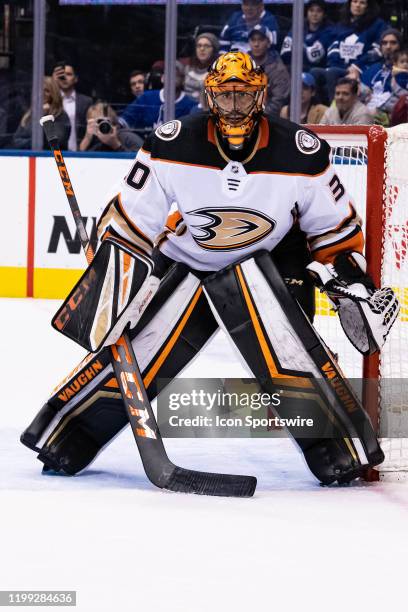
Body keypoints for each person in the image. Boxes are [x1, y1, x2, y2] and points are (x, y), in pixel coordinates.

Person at [21, 51, 397, 488]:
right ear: (209, 96)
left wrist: (352, 281)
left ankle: (338, 449)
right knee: (142, 347)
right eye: (226, 96)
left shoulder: (301, 151)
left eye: (243, 96)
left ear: (261, 96)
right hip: (187, 262)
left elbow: (334, 230)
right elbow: (132, 219)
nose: (235, 106)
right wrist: (114, 279)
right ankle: (67, 435)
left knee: (290, 351)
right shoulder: (172, 140)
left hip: (266, 264)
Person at [311, 0, 387, 104]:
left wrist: (357, 66)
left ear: (368, 6)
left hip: (361, 69)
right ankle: (319, 109)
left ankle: (335, 111)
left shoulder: (377, 24)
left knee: (332, 73)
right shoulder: (342, 24)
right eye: (355, 1)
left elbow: (378, 50)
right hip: (339, 67)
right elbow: (333, 47)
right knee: (314, 72)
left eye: (362, 3)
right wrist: (332, 64)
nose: (357, 5)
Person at [119, 61, 198, 131]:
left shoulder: (191, 104)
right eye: (168, 74)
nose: (171, 78)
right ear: (162, 78)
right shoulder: (146, 97)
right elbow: (124, 121)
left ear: (183, 80)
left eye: (176, 75)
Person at [12, 76, 71, 150]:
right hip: (27, 157)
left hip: (52, 159)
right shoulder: (29, 114)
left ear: (53, 94)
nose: (42, 93)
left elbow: (55, 143)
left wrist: (45, 117)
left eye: (46, 90)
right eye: (39, 90)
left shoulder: (60, 115)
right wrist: (32, 142)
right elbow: (17, 141)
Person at [359, 29, 405, 117]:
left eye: (393, 43)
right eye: (384, 43)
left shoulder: (404, 71)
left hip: (391, 116)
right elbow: (360, 93)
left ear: (401, 46)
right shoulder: (373, 68)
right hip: (364, 112)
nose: (388, 46)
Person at [281, 0, 335, 72]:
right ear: (307, 12)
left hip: (316, 70)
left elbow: (312, 58)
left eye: (318, 11)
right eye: (311, 10)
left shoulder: (329, 30)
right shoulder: (299, 25)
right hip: (293, 66)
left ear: (324, 14)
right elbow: (285, 52)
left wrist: (296, 49)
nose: (314, 14)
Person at [249, 25, 290, 117]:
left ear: (268, 43)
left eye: (260, 40)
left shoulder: (278, 69)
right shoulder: (241, 63)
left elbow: (278, 101)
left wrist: (257, 117)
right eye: (253, 40)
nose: (256, 44)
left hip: (266, 118)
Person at [52, 62, 93, 150]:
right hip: (55, 153)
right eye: (61, 75)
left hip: (78, 153)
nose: (64, 78)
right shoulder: (51, 100)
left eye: (69, 74)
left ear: (76, 79)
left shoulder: (86, 102)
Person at [79, 102, 143, 152]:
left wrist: (116, 145)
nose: (103, 125)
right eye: (99, 121)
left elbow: (142, 161)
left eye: (106, 121)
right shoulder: (92, 140)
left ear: (113, 122)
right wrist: (87, 139)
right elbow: (78, 162)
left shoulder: (126, 137)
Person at [183, 33, 220, 102]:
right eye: (199, 46)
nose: (202, 49)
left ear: (214, 50)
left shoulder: (219, 70)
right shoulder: (188, 67)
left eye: (207, 46)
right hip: (185, 107)